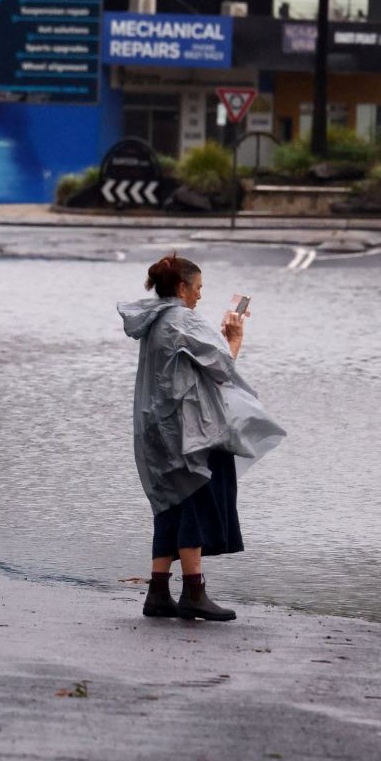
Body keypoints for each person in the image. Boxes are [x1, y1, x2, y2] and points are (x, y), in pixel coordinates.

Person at [118, 254, 286, 621]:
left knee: (169, 505)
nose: (199, 296)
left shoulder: (155, 319)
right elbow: (223, 369)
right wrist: (234, 337)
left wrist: (220, 340)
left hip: (155, 426)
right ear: (182, 287)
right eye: (197, 288)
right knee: (195, 499)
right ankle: (194, 591)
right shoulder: (183, 320)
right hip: (188, 428)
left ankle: (158, 591)